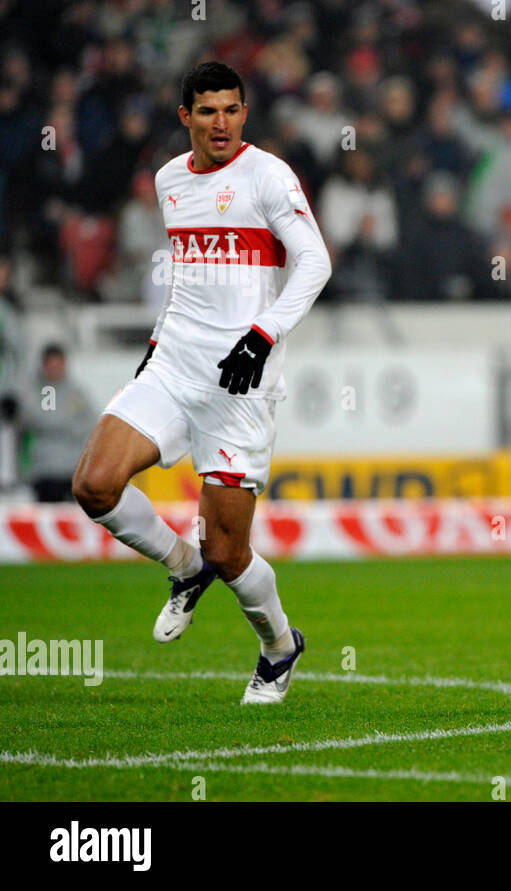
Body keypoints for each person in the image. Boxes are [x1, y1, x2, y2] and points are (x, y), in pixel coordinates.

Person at [70, 62, 331, 703]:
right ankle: (182, 567)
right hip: (174, 365)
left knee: (227, 552)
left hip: (240, 384)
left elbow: (315, 261)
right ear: (185, 116)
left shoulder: (268, 175)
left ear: (244, 113)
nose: (222, 123)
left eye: (232, 110)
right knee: (94, 484)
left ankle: (279, 647)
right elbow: (187, 277)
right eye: (208, 111)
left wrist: (264, 334)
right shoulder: (169, 181)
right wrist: (158, 343)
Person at [22, 344, 96, 502]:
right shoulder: (39, 391)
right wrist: (66, 423)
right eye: (51, 365)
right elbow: (39, 420)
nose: (55, 370)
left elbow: (89, 424)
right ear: (44, 366)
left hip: (73, 469)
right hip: (45, 470)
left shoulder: (76, 392)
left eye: (58, 365)